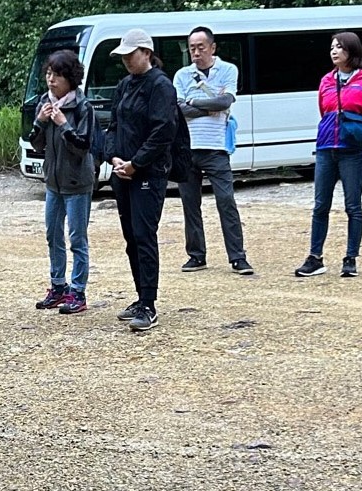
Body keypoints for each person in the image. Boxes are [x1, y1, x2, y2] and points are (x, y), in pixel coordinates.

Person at [105, 29, 178, 333]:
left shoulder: (160, 85)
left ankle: (149, 303)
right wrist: (114, 158)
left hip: (148, 174)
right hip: (123, 172)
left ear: (146, 53)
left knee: (144, 235)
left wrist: (137, 163)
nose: (125, 60)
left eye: (130, 54)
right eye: (122, 55)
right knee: (131, 238)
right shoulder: (124, 85)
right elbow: (111, 126)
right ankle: (139, 296)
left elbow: (163, 132)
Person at [295, 31, 362, 279]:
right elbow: (325, 111)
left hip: (352, 151)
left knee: (352, 206)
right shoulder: (326, 80)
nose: (334, 51)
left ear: (352, 51)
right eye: (332, 47)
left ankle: (350, 258)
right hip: (326, 149)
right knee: (320, 205)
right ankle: (315, 258)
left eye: (339, 47)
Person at [174, 27, 254, 276]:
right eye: (192, 47)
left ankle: (238, 257)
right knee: (190, 203)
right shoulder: (182, 75)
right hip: (188, 147)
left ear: (212, 47)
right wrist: (209, 107)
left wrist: (194, 101)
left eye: (200, 47)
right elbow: (177, 109)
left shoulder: (228, 70)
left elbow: (225, 102)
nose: (196, 52)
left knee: (226, 200)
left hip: (216, 147)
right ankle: (196, 255)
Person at [28, 49, 96, 315]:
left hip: (77, 183)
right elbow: (36, 143)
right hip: (53, 183)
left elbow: (83, 147)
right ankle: (58, 286)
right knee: (52, 234)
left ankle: (78, 292)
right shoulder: (44, 102)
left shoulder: (82, 107)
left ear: (70, 78)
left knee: (77, 238)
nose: (51, 79)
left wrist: (64, 124)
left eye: (57, 75)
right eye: (48, 73)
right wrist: (41, 122)